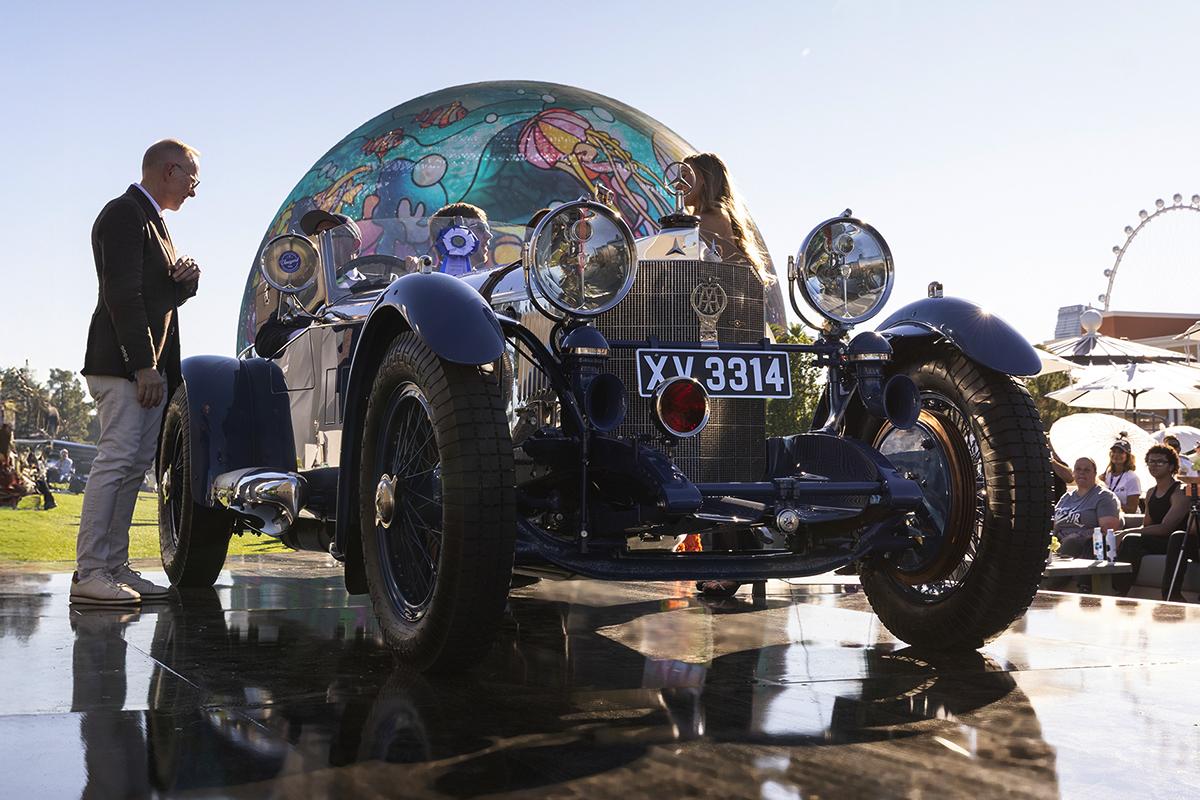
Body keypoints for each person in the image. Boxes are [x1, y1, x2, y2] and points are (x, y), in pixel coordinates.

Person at [75, 139, 202, 605]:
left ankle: (113, 567)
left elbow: (152, 296)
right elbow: (122, 295)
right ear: (170, 170)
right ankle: (89, 572)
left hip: (147, 369)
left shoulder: (156, 224)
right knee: (115, 463)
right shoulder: (123, 214)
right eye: (192, 179)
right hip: (126, 366)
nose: (194, 190)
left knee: (131, 470)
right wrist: (144, 365)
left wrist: (183, 285)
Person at [680, 153, 771, 286]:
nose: (677, 185)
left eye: (684, 176)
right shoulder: (719, 215)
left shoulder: (709, 219)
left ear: (704, 178)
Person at [1114, 444, 1191, 596]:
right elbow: (1147, 526)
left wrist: (1124, 533)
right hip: (1157, 541)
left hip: (1176, 542)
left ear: (1171, 467)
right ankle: (1113, 588)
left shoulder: (1179, 492)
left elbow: (1165, 528)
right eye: (1150, 461)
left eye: (1160, 462)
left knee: (1129, 539)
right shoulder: (1150, 493)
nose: (1154, 465)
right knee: (1127, 541)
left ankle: (1120, 592)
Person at [1052, 456, 1123, 558]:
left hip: (1085, 546)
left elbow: (1107, 530)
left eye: (1087, 470)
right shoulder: (1066, 497)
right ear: (1073, 473)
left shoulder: (1105, 497)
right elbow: (1054, 525)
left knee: (1071, 543)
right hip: (1058, 543)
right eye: (1078, 469)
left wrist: (1079, 535)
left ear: (1094, 474)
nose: (1082, 472)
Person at [1101, 436, 1142, 514]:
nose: (1116, 455)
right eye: (1114, 451)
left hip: (1129, 519)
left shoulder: (1132, 478)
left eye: (1121, 452)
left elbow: (1132, 509)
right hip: (1109, 516)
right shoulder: (1106, 475)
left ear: (1127, 456)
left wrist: (1111, 501)